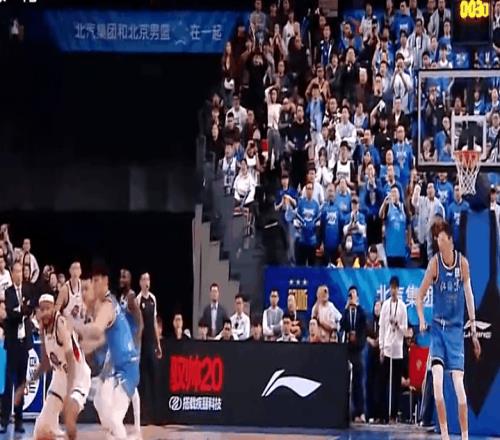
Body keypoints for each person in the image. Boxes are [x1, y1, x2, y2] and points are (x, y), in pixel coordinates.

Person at [416, 224, 481, 440]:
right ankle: (445, 436)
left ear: (451, 240)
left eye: (442, 238)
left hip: (455, 332)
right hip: (438, 330)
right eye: (436, 239)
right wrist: (422, 318)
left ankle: (464, 436)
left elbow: (469, 296)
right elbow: (419, 296)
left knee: (458, 386)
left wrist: (473, 329)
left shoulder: (463, 263)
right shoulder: (434, 264)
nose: (438, 242)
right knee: (436, 384)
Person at [78, 264, 140, 440]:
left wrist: (74, 327)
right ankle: (123, 434)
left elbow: (97, 330)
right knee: (101, 405)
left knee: (113, 418)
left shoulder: (107, 305)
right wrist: (83, 347)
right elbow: (101, 339)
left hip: (125, 366)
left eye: (92, 284)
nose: (86, 292)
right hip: (116, 365)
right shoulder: (101, 306)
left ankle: (131, 432)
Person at [20, 294, 91, 440]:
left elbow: (71, 360)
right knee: (41, 430)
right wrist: (26, 384)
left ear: (53, 309)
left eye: (48, 309)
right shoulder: (43, 328)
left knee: (69, 418)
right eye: (42, 309)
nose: (45, 312)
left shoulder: (60, 323)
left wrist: (69, 392)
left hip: (77, 377)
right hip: (60, 377)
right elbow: (45, 363)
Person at [2, 262, 34, 433]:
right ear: (12, 274)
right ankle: (4, 420)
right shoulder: (8, 292)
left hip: (24, 344)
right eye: (15, 271)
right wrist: (22, 310)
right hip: (13, 344)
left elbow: (30, 308)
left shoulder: (27, 290)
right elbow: (11, 314)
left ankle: (19, 421)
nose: (18, 274)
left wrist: (20, 310)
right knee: (9, 383)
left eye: (20, 271)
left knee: (22, 383)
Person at [379, 275, 408, 423]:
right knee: (384, 382)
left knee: (396, 384)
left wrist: (398, 324)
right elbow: (382, 328)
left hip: (397, 350)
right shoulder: (385, 305)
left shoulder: (403, 307)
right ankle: (383, 414)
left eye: (395, 288)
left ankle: (394, 414)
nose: (393, 291)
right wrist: (381, 347)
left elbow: (405, 330)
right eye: (391, 288)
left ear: (398, 289)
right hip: (387, 348)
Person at [340, 286, 367, 423]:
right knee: (345, 383)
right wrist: (346, 307)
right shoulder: (346, 313)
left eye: (354, 294)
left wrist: (357, 305)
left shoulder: (361, 313)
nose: (352, 297)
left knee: (358, 383)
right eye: (350, 295)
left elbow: (364, 326)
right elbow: (341, 325)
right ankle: (346, 412)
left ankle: (360, 412)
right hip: (347, 352)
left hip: (358, 351)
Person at [55, 261, 84, 330]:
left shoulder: (83, 285)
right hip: (67, 327)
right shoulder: (65, 289)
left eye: (78, 268)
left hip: (80, 326)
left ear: (80, 272)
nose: (75, 271)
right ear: (70, 271)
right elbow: (56, 311)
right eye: (74, 268)